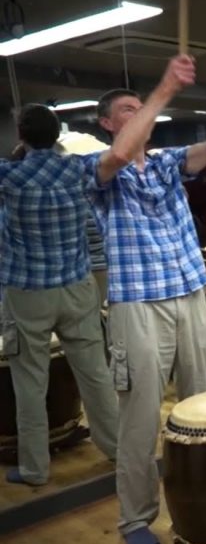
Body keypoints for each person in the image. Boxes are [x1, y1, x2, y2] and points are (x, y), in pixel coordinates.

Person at [83, 54, 206, 544]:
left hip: (190, 292)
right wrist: (163, 90)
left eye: (143, 108)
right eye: (129, 110)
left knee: (200, 403)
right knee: (140, 417)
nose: (140, 115)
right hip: (138, 303)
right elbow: (116, 157)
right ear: (108, 123)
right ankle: (135, 516)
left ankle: (202, 500)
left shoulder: (165, 161)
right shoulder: (95, 168)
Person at [0, 104, 118, 486]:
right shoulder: (78, 169)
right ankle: (118, 448)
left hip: (27, 294)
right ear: (58, 133)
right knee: (96, 376)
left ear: (21, 135)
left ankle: (35, 469)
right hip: (77, 288)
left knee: (30, 384)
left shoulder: (9, 176)